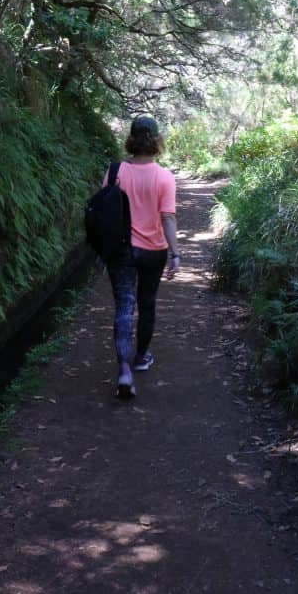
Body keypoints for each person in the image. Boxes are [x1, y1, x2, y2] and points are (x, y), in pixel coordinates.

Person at [104, 115, 180, 399]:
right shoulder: (164, 177)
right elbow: (168, 218)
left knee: (124, 306)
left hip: (121, 250)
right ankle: (141, 357)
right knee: (146, 304)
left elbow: (106, 212)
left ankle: (124, 371)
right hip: (153, 251)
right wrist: (175, 253)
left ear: (132, 139)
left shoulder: (115, 172)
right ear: (156, 140)